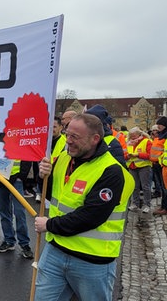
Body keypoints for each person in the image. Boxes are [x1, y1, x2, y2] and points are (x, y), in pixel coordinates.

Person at [34, 113, 135, 301]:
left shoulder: (111, 170)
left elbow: (92, 215)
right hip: (56, 250)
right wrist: (43, 177)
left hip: (92, 261)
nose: (68, 140)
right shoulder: (64, 157)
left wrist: (49, 225)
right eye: (67, 133)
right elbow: (52, 195)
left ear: (95, 139)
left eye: (75, 137)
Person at [0, 160, 34, 259]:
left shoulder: (18, 143)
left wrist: (21, 177)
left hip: (16, 179)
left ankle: (24, 244)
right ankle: (9, 240)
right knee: (4, 213)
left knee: (19, 212)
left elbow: (26, 156)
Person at [126, 127, 152, 213]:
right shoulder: (129, 142)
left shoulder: (147, 141)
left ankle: (147, 205)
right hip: (132, 166)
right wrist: (127, 156)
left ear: (139, 134)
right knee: (134, 187)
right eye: (131, 135)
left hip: (144, 166)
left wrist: (138, 154)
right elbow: (125, 154)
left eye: (134, 135)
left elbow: (150, 156)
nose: (132, 137)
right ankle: (135, 204)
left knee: (146, 187)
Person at [149, 122, 166, 200]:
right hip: (155, 163)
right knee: (158, 182)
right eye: (153, 130)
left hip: (161, 164)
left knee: (163, 185)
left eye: (156, 130)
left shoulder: (162, 138)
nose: (154, 132)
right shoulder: (156, 139)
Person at [155, 117, 167, 215]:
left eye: (160, 124)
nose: (158, 126)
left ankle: (165, 208)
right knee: (164, 188)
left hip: (165, 166)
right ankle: (163, 206)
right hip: (162, 165)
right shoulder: (162, 135)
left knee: (165, 188)